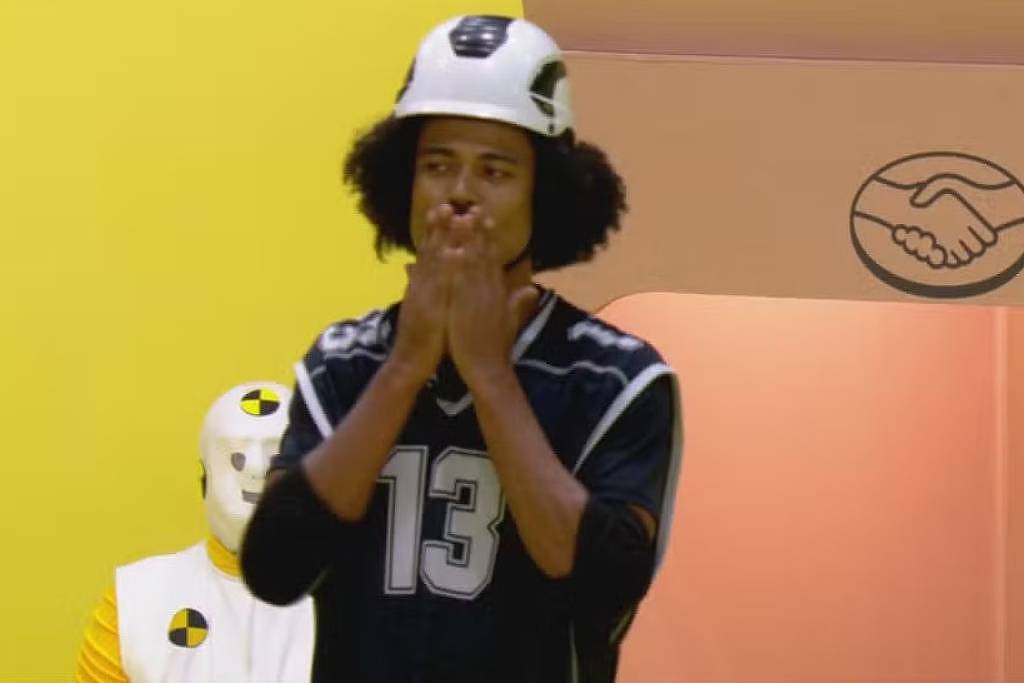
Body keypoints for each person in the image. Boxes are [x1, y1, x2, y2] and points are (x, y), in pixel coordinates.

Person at [241, 14, 683, 683]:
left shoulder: (617, 379)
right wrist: (405, 367)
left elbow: (605, 585)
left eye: (495, 171)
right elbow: (275, 570)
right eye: (437, 166)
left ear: (545, 193)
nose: (459, 195)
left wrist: (489, 375)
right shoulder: (344, 362)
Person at [75, 382, 314, 683]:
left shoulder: (353, 600)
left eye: (274, 454)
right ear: (205, 478)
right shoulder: (137, 601)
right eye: (237, 457)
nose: (255, 469)